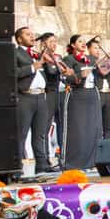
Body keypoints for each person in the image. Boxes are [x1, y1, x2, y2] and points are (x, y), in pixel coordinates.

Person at [14, 27, 54, 174]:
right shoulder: (15, 53)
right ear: (19, 39)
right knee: (22, 133)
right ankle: (16, 168)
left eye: (33, 34)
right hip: (25, 96)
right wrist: (32, 67)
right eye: (28, 34)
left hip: (41, 96)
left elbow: (49, 74)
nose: (32, 37)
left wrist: (50, 63)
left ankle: (42, 165)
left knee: (41, 133)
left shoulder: (37, 54)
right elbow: (12, 72)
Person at [61, 34, 101, 170]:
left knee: (93, 128)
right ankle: (74, 163)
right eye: (80, 41)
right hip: (77, 95)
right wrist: (80, 75)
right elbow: (67, 79)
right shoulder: (68, 59)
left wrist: (108, 67)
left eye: (84, 41)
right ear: (73, 45)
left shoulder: (91, 59)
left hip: (92, 95)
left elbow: (101, 75)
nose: (83, 43)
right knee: (78, 130)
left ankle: (93, 161)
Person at [39, 32, 67, 161]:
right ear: (44, 43)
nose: (54, 44)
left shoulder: (58, 57)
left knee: (62, 125)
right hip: (49, 92)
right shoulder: (42, 57)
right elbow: (51, 72)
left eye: (55, 41)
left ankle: (63, 155)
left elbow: (65, 73)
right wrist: (57, 66)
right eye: (51, 41)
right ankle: (45, 156)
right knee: (46, 125)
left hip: (60, 92)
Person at [87, 38, 110, 140]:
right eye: (95, 48)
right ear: (88, 49)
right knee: (96, 124)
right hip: (97, 94)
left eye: (99, 48)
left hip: (108, 95)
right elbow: (101, 72)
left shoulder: (104, 62)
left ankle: (108, 147)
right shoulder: (88, 61)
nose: (97, 50)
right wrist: (100, 65)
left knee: (108, 124)